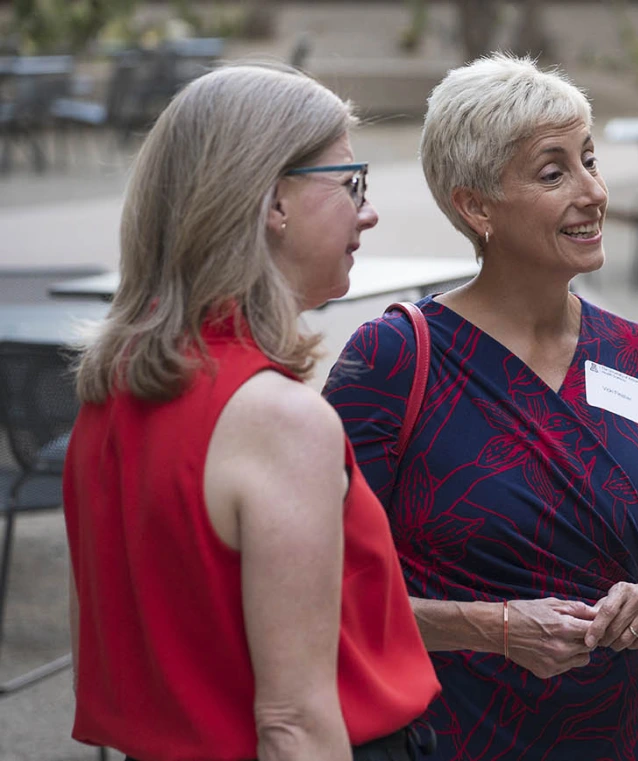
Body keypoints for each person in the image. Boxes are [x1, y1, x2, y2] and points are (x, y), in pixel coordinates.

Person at [323, 54, 638, 760]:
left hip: (618, 738)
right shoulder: (393, 362)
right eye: (553, 172)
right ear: (476, 207)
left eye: (590, 160)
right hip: (448, 739)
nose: (593, 191)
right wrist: (490, 625)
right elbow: (323, 597)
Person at [63, 63, 440, 761]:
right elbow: (294, 725)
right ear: (274, 201)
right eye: (351, 180)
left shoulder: (109, 393)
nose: (369, 210)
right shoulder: (275, 418)